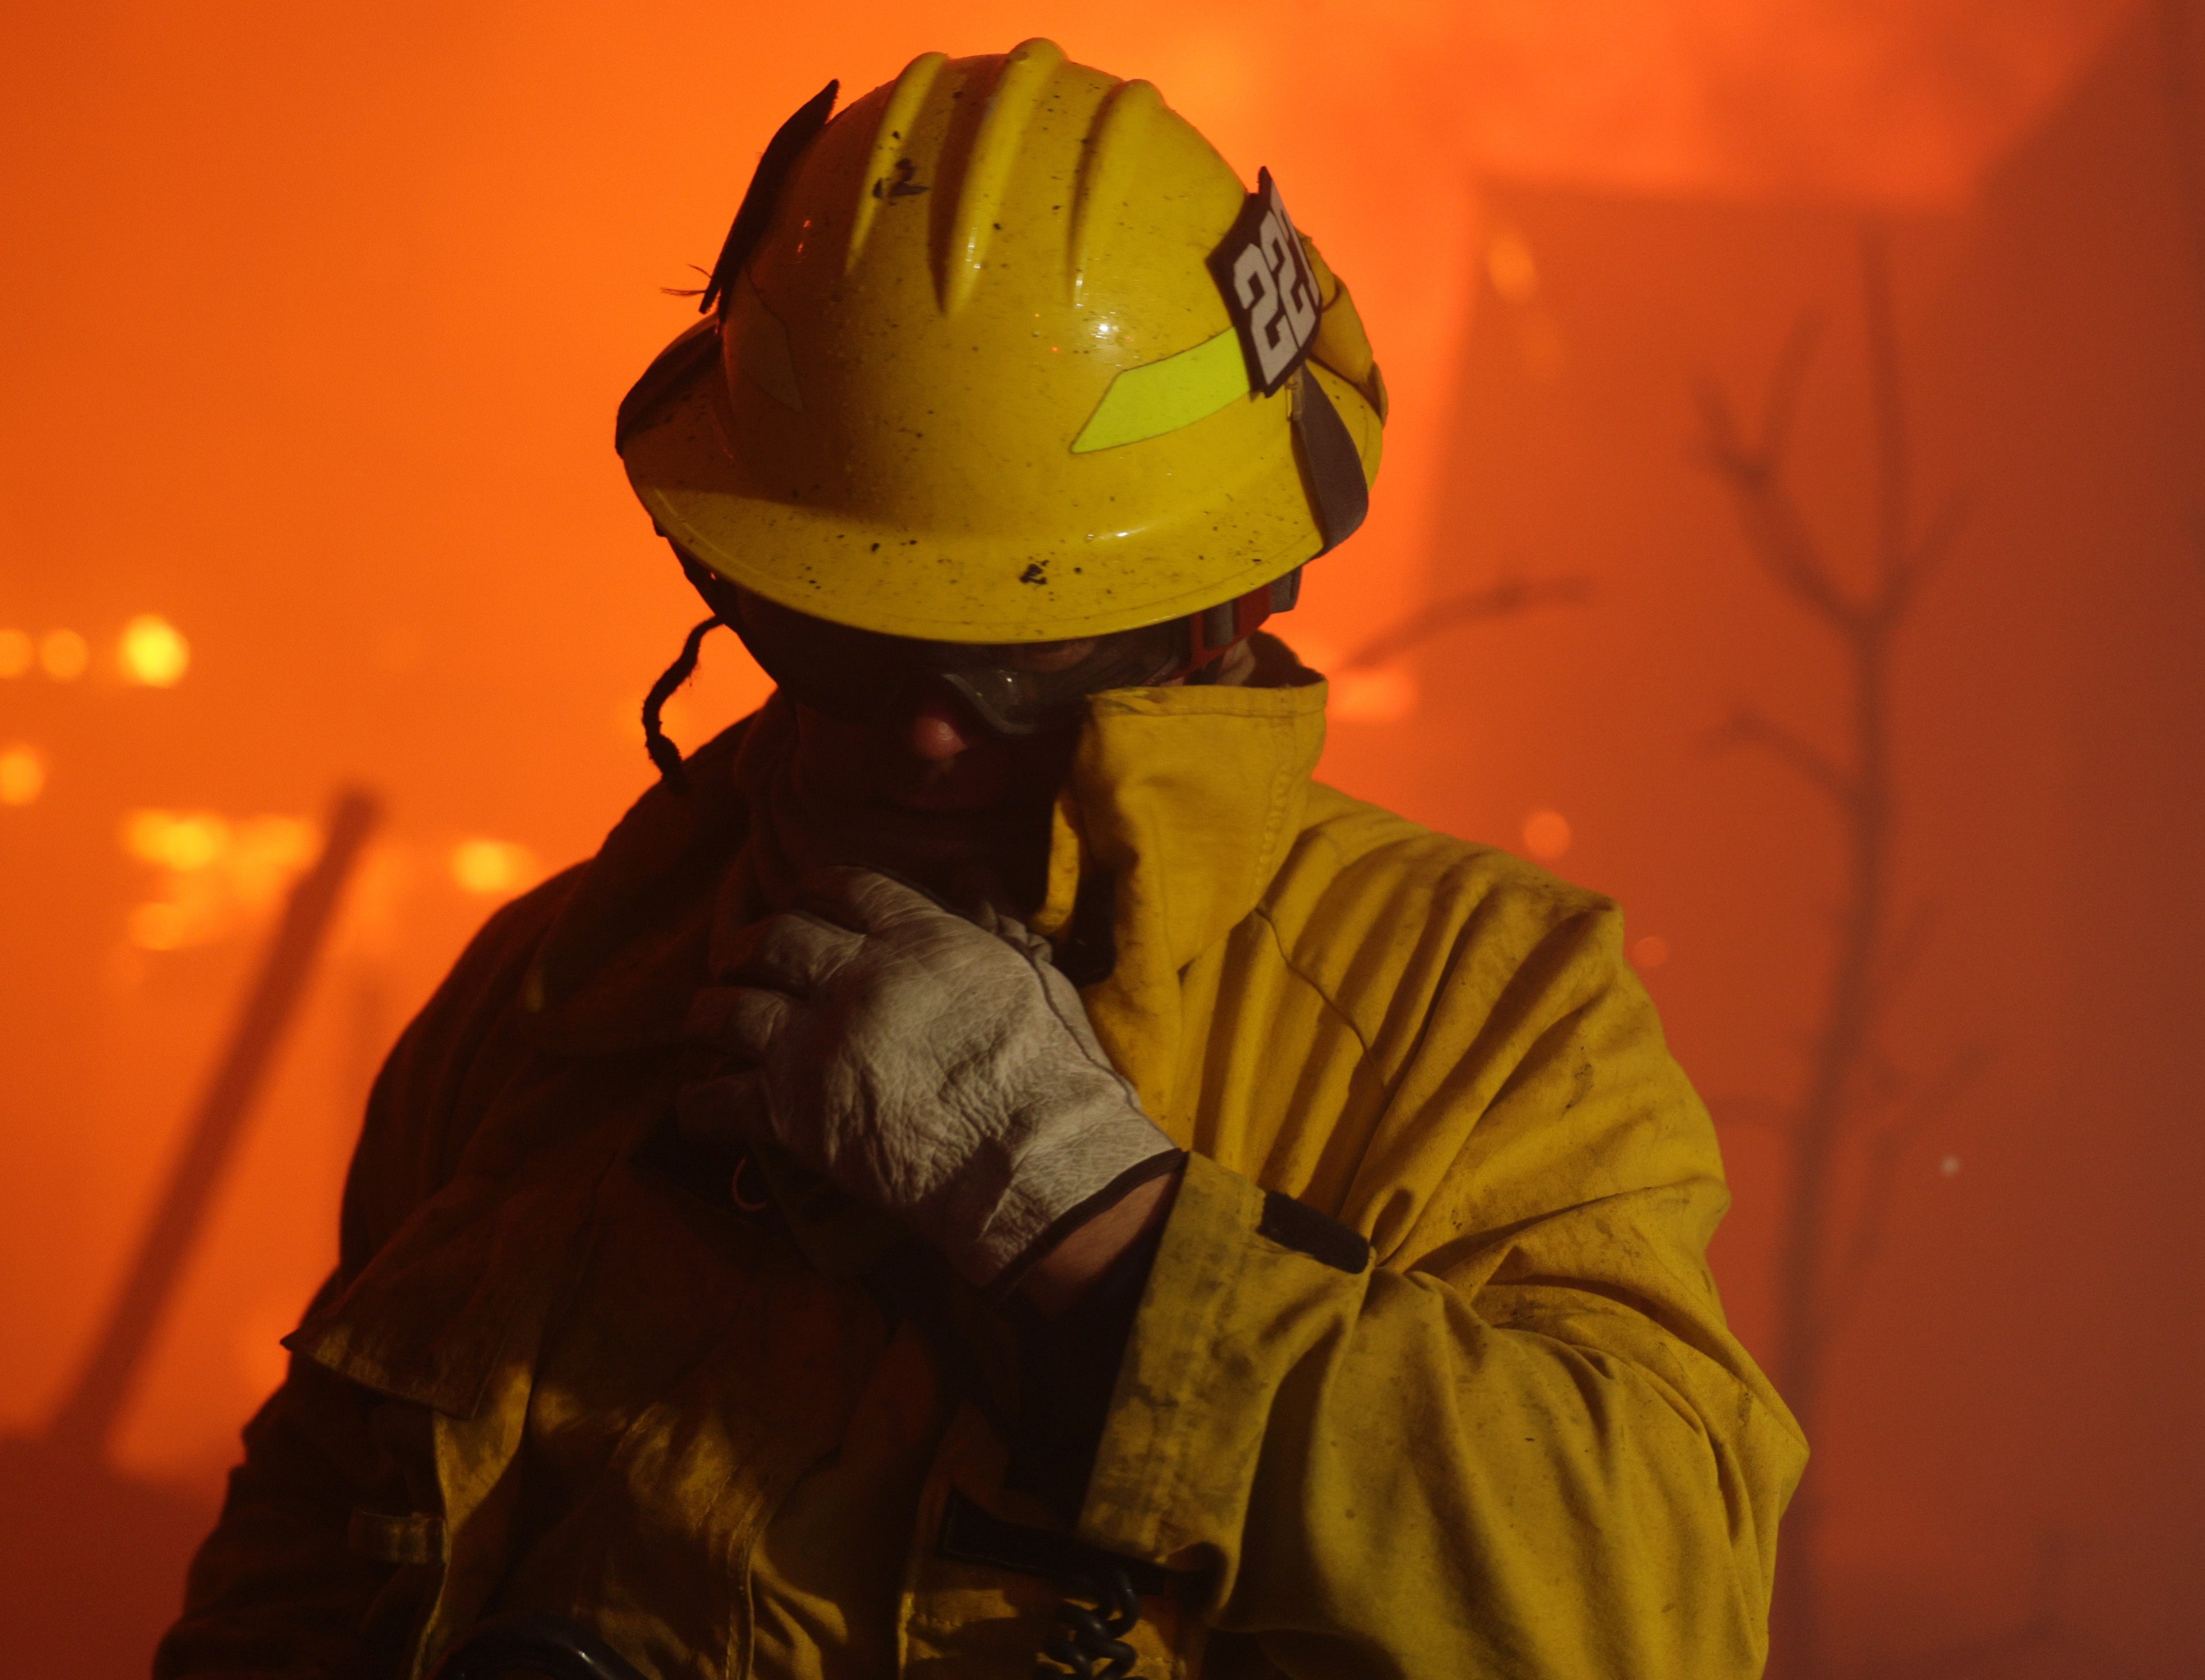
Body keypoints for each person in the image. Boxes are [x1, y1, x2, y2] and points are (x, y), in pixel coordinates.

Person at [158, 39, 1803, 1680]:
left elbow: (1651, 1614)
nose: (930, 737)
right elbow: (298, 1584)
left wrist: (1100, 1224)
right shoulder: (554, 1000)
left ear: (1224, 610)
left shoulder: (1478, 1013)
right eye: (851, 642)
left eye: (1031, 659)